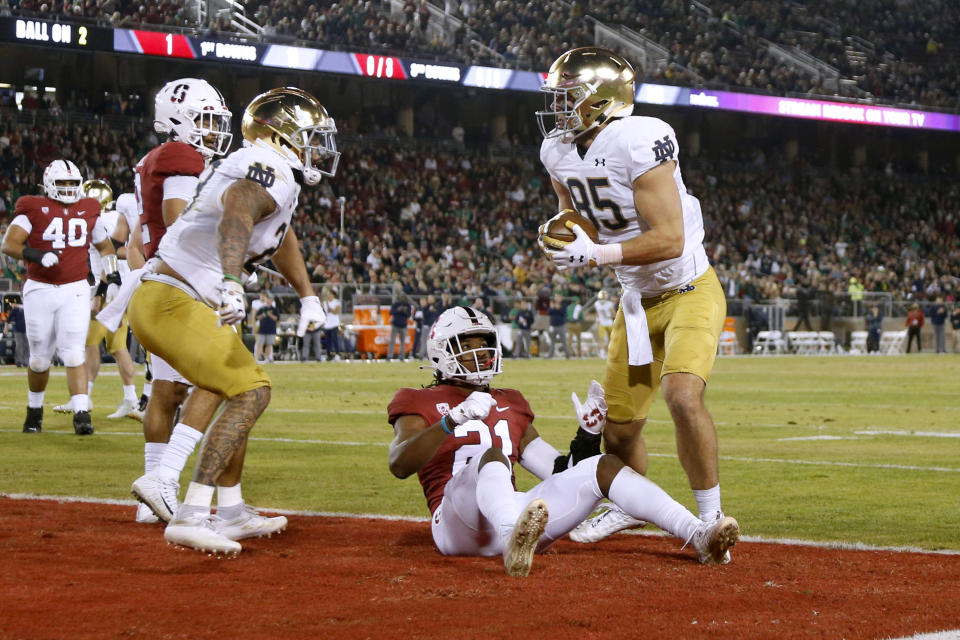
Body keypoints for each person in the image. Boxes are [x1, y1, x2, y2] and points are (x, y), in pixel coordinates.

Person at [124, 86, 339, 554]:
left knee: (232, 386)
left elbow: (278, 237)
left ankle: (231, 508)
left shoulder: (274, 172)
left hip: (175, 294)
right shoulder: (268, 167)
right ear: (280, 135)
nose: (318, 148)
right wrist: (232, 281)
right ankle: (190, 510)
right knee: (250, 390)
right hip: (175, 297)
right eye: (310, 136)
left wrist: (307, 297)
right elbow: (240, 206)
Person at [536, 47, 734, 551]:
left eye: (568, 97)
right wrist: (561, 236)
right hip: (636, 301)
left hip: (688, 289)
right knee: (620, 434)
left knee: (682, 396)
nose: (558, 107)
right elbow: (574, 215)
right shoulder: (556, 150)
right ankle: (629, 507)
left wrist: (594, 254)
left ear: (602, 99)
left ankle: (712, 520)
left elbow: (668, 238)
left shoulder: (641, 137)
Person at [387, 306, 739, 576]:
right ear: (441, 352)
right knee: (492, 457)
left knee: (603, 467)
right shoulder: (417, 400)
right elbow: (400, 464)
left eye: (485, 346)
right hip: (456, 524)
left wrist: (587, 434)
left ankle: (699, 535)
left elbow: (557, 471)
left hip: (514, 515)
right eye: (467, 347)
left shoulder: (511, 401)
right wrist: (452, 419)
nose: (480, 355)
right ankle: (513, 535)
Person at [119, 78, 238, 525]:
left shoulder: (153, 160)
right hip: (185, 284)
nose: (212, 131)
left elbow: (140, 235)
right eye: (204, 120)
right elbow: (177, 218)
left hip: (162, 281)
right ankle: (168, 482)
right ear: (176, 121)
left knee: (165, 393)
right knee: (222, 381)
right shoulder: (180, 156)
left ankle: (153, 498)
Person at [1, 159, 121, 435]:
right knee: (40, 358)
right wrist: (36, 255)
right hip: (40, 288)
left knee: (73, 351)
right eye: (62, 183)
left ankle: (81, 413)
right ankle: (34, 410)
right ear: (49, 184)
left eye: (72, 183)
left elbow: (105, 246)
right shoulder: (32, 206)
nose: (68, 188)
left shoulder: (89, 208)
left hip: (75, 288)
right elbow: (10, 244)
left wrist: (112, 275)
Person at [54, 180, 143, 421]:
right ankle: (130, 398)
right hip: (125, 288)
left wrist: (102, 289)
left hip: (109, 289)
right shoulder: (117, 216)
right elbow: (127, 248)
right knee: (118, 347)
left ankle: (84, 396)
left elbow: (113, 252)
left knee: (89, 342)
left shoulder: (99, 221)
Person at [254, 293, 278, 363]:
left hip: (271, 330)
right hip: (262, 329)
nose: (269, 300)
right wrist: (263, 315)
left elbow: (277, 318)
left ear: (272, 300)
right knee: (260, 344)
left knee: (269, 345)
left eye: (270, 299)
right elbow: (256, 318)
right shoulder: (262, 308)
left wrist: (270, 315)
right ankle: (257, 359)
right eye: (268, 299)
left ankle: (267, 359)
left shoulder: (274, 309)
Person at [388, 295, 412, 361]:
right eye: (401, 297)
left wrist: (404, 311)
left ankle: (402, 357)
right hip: (395, 324)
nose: (402, 299)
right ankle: (389, 356)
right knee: (392, 341)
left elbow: (409, 315)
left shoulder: (407, 305)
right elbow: (391, 312)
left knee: (402, 342)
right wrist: (398, 310)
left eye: (403, 298)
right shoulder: (395, 304)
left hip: (403, 325)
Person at [594, 290, 616, 358]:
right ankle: (602, 352)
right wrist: (597, 320)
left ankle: (610, 352)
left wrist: (608, 316)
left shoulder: (609, 304)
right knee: (601, 338)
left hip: (609, 323)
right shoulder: (596, 303)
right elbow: (597, 313)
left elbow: (614, 315)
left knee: (611, 339)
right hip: (602, 323)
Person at [322, 288, 342, 360]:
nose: (328, 296)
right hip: (327, 324)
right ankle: (328, 354)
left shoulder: (337, 302)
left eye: (330, 294)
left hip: (334, 324)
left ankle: (337, 353)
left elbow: (335, 312)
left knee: (335, 339)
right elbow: (325, 312)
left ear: (333, 295)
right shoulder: (324, 303)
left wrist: (328, 305)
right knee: (328, 340)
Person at [9, 298, 27, 367]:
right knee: (19, 345)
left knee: (27, 346)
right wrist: (6, 327)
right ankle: (19, 362)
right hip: (18, 329)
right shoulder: (16, 308)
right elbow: (9, 318)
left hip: (27, 330)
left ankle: (26, 362)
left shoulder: (27, 306)